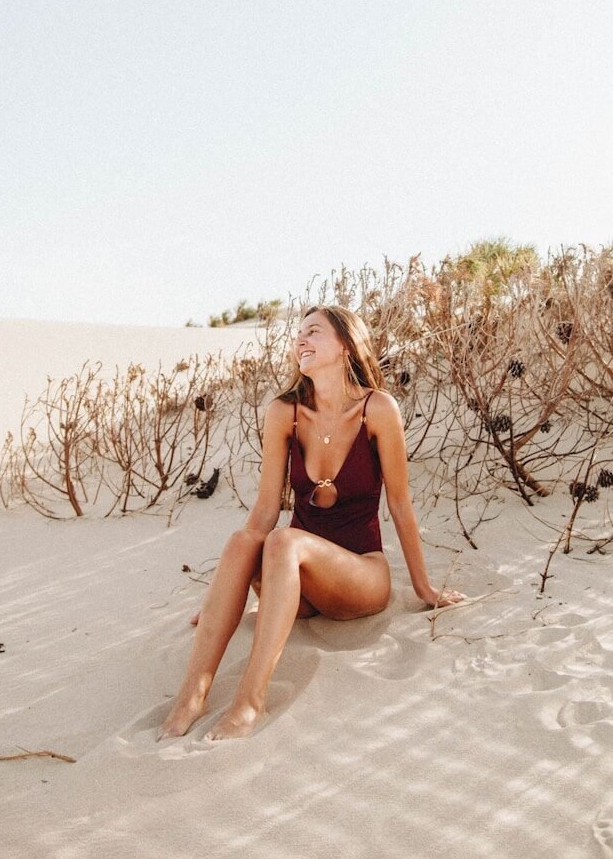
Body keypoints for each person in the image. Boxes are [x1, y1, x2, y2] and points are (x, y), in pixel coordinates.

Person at [158, 304, 462, 742]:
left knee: (283, 542)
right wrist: (219, 598)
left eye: (314, 332)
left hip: (360, 575)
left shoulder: (377, 409)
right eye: (298, 334)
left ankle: (250, 701)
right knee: (244, 542)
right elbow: (265, 510)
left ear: (345, 346)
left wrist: (424, 588)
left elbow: (399, 502)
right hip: (295, 587)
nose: (301, 340)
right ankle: (191, 695)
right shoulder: (284, 412)